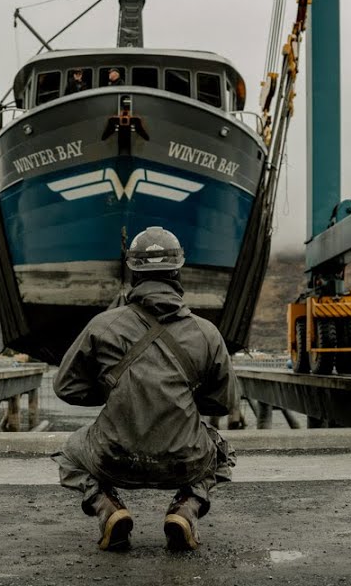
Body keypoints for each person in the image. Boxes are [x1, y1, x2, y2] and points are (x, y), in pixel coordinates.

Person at [51, 226, 238, 552]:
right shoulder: (206, 332)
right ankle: (187, 508)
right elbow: (224, 403)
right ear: (178, 270)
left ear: (132, 271)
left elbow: (65, 387)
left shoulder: (102, 325)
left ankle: (107, 506)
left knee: (70, 452)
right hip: (185, 461)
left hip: (113, 458)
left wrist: (114, 390)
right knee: (223, 453)